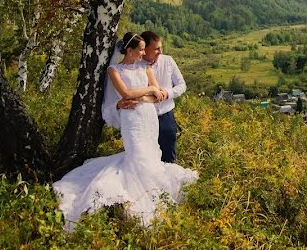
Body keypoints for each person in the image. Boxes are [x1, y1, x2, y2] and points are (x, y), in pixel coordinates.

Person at [53, 32, 198, 229]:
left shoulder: (146, 67)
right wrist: (147, 92)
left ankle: (156, 189)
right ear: (129, 50)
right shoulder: (114, 70)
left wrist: (143, 96)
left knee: (150, 154)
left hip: (148, 116)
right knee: (135, 155)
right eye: (140, 50)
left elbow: (156, 93)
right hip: (131, 120)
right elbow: (127, 93)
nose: (143, 53)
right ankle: (135, 198)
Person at [140, 30, 186, 162]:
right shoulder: (135, 66)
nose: (160, 51)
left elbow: (182, 85)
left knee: (169, 155)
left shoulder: (168, 61)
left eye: (161, 47)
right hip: (145, 118)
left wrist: (167, 94)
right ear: (145, 49)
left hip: (166, 116)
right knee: (147, 157)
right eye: (156, 49)